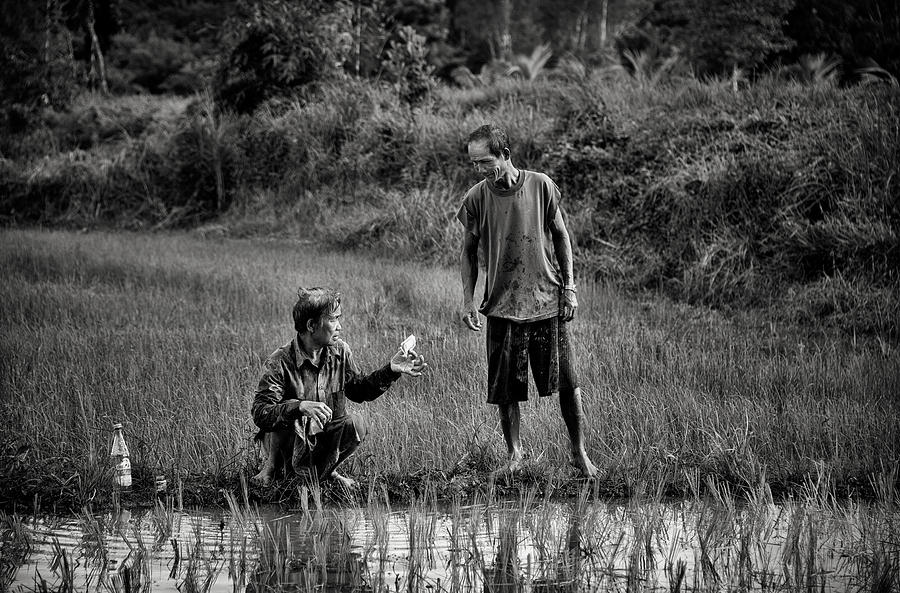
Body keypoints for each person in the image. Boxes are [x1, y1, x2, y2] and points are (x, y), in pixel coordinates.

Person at [457, 123, 597, 478]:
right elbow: (468, 252)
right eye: (473, 164)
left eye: (485, 161)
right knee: (506, 391)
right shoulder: (476, 198)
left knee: (568, 381)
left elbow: (562, 237)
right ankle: (515, 455)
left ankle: (579, 453)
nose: (479, 170)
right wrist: (467, 301)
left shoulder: (541, 185)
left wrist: (570, 287)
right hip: (502, 305)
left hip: (545, 301)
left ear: (505, 155)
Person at [251, 286, 427, 488]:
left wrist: (392, 370)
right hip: (288, 448)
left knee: (356, 423)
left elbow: (360, 390)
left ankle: (328, 472)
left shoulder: (340, 352)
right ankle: (272, 469)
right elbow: (261, 413)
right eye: (333, 319)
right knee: (286, 407)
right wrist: (300, 406)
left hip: (319, 443)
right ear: (311, 325)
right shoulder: (280, 361)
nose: (340, 326)